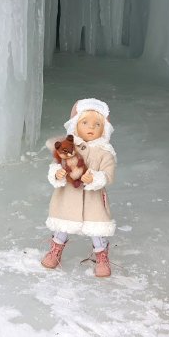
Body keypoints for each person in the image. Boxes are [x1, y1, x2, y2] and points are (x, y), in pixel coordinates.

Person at [41, 98, 117, 277]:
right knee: (63, 224)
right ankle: (56, 250)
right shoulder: (69, 146)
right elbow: (56, 163)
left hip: (93, 199)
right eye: (85, 122)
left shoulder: (105, 152)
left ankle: (101, 256)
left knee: (96, 228)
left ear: (104, 129)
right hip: (68, 195)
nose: (91, 127)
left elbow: (108, 174)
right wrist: (57, 173)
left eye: (97, 124)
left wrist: (95, 178)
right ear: (75, 125)